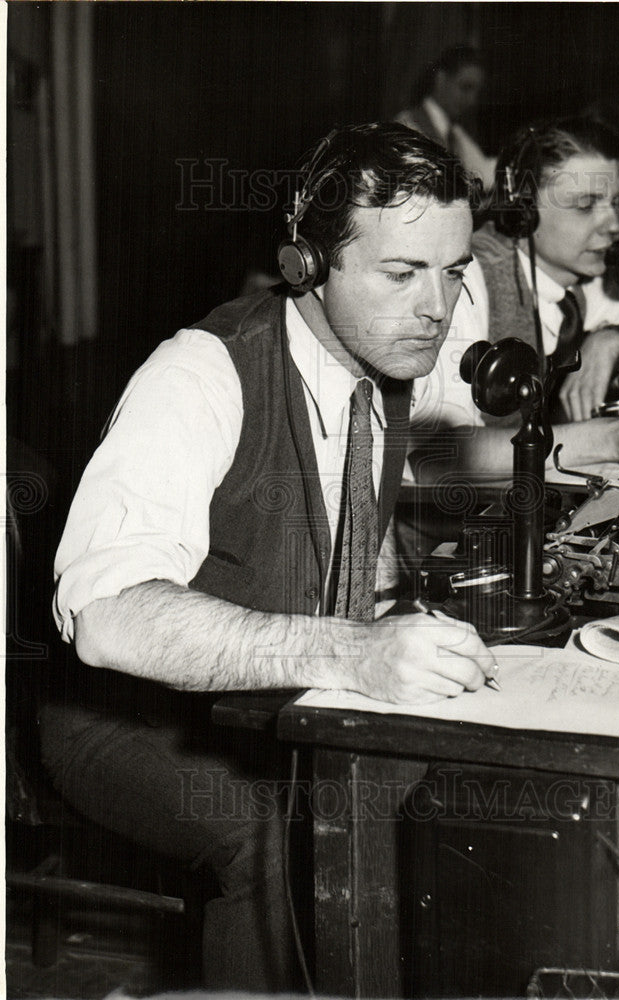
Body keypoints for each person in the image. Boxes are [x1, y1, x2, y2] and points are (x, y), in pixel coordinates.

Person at [41, 123, 497, 992]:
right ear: (305, 266)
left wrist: (593, 445)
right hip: (128, 723)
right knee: (277, 838)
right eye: (402, 273)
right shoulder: (199, 374)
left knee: (447, 798)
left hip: (290, 702)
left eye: (454, 270)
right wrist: (348, 649)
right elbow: (105, 618)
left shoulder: (389, 352)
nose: (437, 307)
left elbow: (452, 454)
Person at [419, 117, 619, 474]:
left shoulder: (582, 274)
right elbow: (437, 455)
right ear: (524, 209)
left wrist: (618, 337)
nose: (612, 223)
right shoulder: (467, 282)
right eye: (585, 206)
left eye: (613, 202)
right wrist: (609, 439)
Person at [396, 45, 497, 190]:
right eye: (465, 88)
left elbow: (485, 174)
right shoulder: (406, 126)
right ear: (441, 79)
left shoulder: (455, 133)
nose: (472, 100)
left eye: (476, 92)